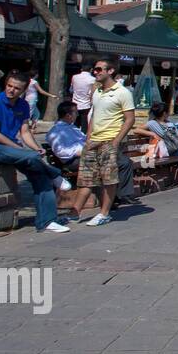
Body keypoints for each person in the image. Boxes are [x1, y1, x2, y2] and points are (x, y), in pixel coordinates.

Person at [0, 71, 71, 233]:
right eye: (9, 86)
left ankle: (47, 221)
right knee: (32, 158)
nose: (11, 90)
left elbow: (25, 131)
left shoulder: (23, 105)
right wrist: (20, 149)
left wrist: (36, 147)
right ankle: (55, 174)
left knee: (40, 176)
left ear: (23, 90)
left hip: (12, 149)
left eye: (16, 88)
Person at [76, 58, 136, 227]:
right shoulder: (97, 92)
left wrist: (116, 140)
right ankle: (75, 212)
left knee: (108, 179)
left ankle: (104, 213)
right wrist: (88, 135)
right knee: (86, 178)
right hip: (93, 140)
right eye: (95, 69)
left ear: (110, 71)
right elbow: (94, 115)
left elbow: (130, 119)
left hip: (109, 140)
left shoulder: (123, 92)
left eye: (99, 69)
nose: (95, 72)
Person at [46, 101, 86, 168]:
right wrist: (78, 152)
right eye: (76, 113)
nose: (78, 115)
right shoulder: (56, 132)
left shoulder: (72, 127)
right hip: (72, 161)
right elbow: (60, 152)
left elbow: (83, 139)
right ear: (68, 115)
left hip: (84, 154)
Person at [69, 63, 96, 131]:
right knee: (84, 124)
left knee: (75, 123)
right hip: (86, 104)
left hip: (75, 103)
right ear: (91, 70)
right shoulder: (93, 79)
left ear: (81, 69)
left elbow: (71, 89)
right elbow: (93, 92)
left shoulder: (74, 77)